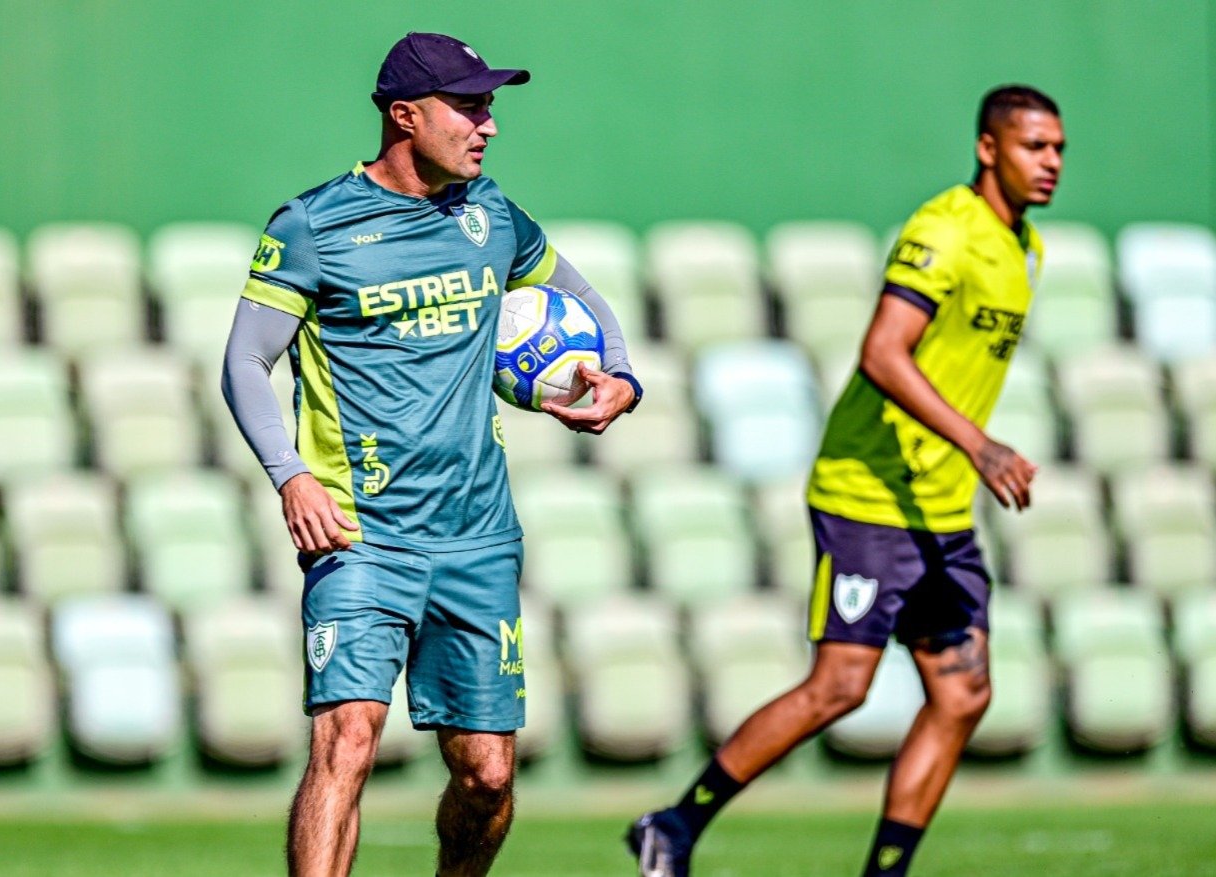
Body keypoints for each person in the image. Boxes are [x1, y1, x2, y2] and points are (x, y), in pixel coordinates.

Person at [222, 32, 643, 877]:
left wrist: (622, 377)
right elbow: (243, 361)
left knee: (486, 776)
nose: (488, 125)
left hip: (476, 536)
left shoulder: (492, 217)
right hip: (361, 534)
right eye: (470, 106)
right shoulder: (312, 225)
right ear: (405, 116)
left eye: (490, 107)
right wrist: (291, 476)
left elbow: (582, 298)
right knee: (347, 739)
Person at [627, 84, 1065, 877]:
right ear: (987, 147)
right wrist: (980, 445)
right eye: (1034, 146)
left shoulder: (1025, 247)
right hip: (867, 495)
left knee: (962, 694)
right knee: (839, 687)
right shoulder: (943, 230)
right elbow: (881, 353)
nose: (1051, 162)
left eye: (1058, 149)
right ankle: (674, 824)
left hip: (939, 508)